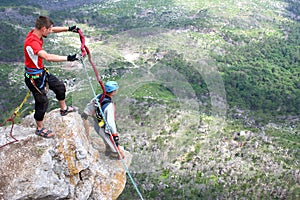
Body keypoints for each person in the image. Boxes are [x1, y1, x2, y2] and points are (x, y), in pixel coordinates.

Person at [24, 16, 80, 138]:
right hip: (34, 78)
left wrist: (69, 29)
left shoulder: (37, 32)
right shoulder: (32, 42)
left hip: (41, 72)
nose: (51, 31)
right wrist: (68, 58)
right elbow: (47, 57)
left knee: (59, 86)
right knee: (42, 102)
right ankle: (39, 128)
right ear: (43, 29)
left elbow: (53, 30)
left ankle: (63, 109)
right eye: (49, 29)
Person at [81, 81, 124, 159]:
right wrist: (114, 134)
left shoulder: (99, 97)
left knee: (105, 139)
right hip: (104, 127)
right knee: (111, 141)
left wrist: (86, 112)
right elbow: (110, 122)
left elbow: (91, 105)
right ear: (113, 91)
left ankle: (108, 149)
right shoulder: (109, 105)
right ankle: (114, 154)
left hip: (97, 124)